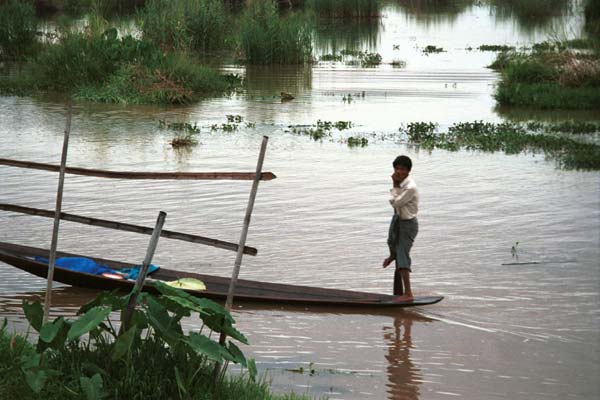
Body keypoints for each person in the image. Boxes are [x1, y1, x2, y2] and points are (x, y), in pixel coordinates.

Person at [382, 155, 419, 301]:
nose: (398, 171)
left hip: (408, 224)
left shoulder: (410, 187)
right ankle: (393, 255)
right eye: (396, 168)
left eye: (402, 169)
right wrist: (396, 184)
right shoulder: (401, 183)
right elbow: (395, 205)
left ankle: (408, 294)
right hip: (398, 219)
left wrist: (395, 185)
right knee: (391, 241)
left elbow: (395, 203)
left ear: (408, 171)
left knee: (402, 256)